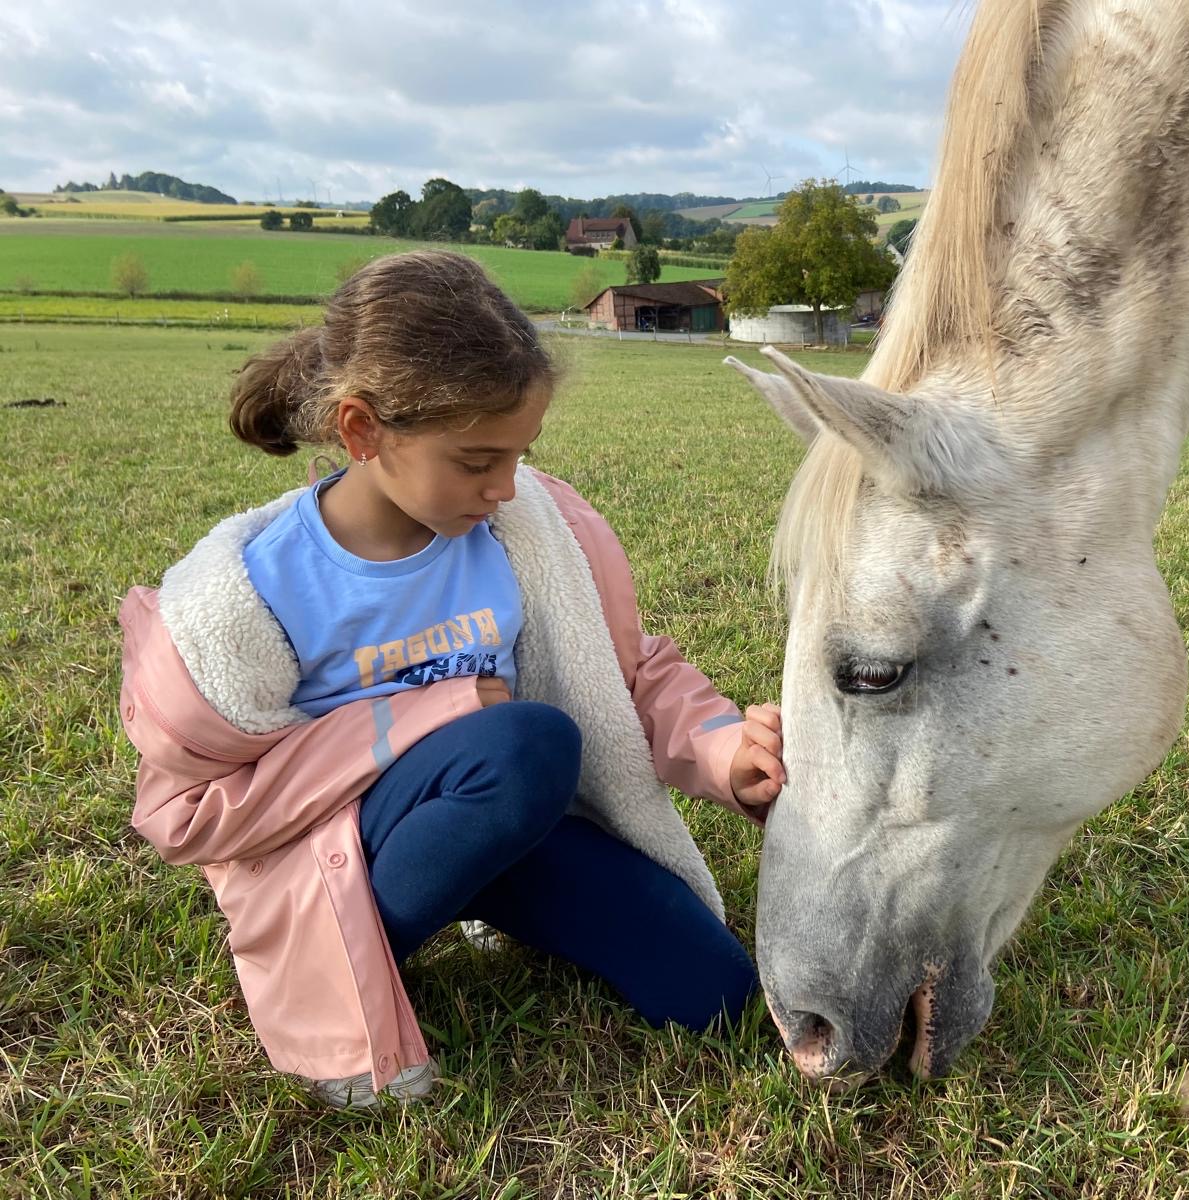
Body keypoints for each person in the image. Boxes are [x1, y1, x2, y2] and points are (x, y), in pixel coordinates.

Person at [118, 250, 784, 1108]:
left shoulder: (529, 534)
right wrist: (434, 713)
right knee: (523, 744)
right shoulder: (254, 593)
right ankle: (344, 967)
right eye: (476, 461)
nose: (505, 487)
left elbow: (621, 672)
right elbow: (189, 812)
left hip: (515, 827)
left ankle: (492, 897)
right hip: (346, 864)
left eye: (520, 455)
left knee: (720, 999)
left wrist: (722, 748)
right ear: (362, 431)